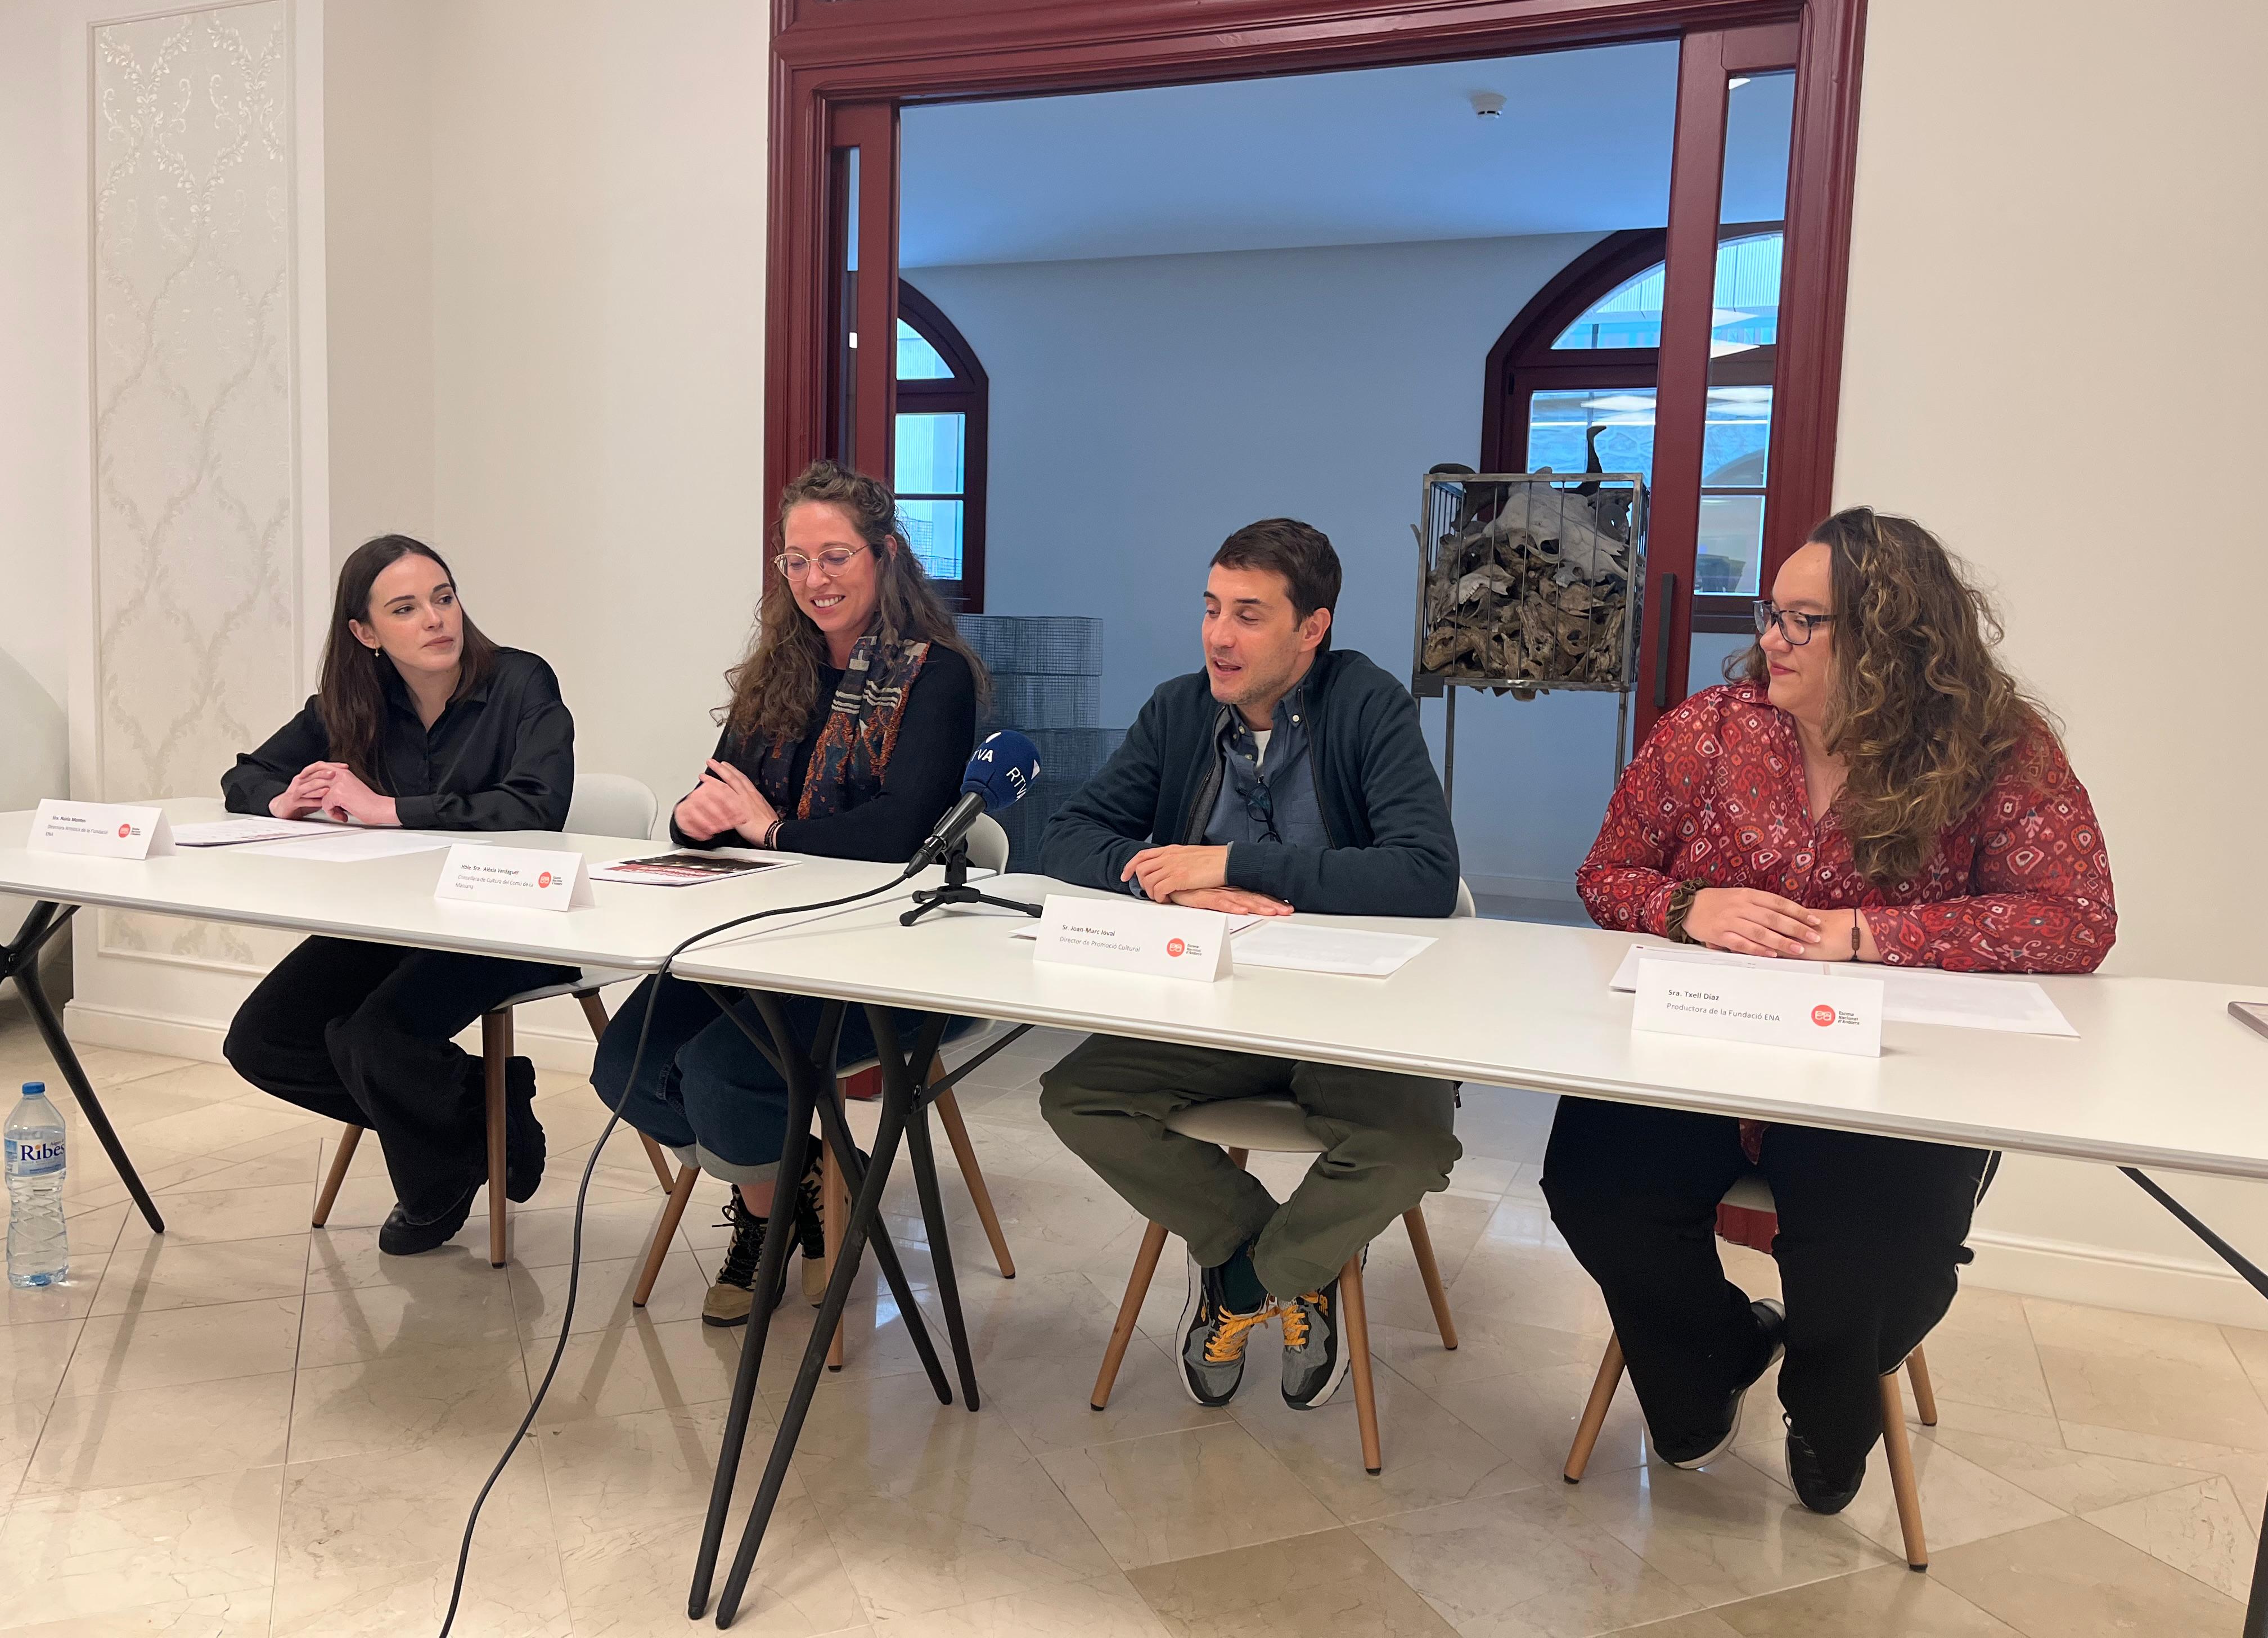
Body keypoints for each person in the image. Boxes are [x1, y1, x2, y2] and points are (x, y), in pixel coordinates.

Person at [1542, 507, 2115, 1513]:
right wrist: (1686, 906)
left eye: (1804, 621)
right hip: (1708, 1047)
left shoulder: (1996, 750)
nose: (1772, 638)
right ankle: (1719, 1353)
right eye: (1772, 613)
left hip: (1882, 1070)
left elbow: (2074, 919)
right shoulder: (1712, 729)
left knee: (1878, 1254)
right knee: (1595, 1185)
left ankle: (1828, 1407)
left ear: (1893, 637)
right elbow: (1606, 873)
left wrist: (1868, 934)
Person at [1040, 518, 1462, 1414]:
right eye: (1211, 609)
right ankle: (1276, 1254)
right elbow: (1069, 833)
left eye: (1249, 615)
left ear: (1313, 629)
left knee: (1414, 1146)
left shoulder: (1369, 704)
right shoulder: (1179, 710)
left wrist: (1233, 862)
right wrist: (1164, 879)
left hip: (1353, 1009)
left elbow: (1425, 875)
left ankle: (1249, 1281)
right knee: (1078, 1097)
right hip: (1215, 1000)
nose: (1218, 638)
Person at [590, 461, 982, 1328]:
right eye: (795, 561)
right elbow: (722, 800)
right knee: (626, 1065)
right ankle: (804, 1177)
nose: (814, 579)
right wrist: (693, 821)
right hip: (755, 935)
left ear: (885, 554)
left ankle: (766, 1223)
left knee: (723, 1077)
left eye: (835, 556)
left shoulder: (935, 676)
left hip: (883, 955)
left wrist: (769, 831)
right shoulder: (780, 668)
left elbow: (898, 835)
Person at [222, 534, 577, 1255]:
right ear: (366, 633)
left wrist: (388, 809)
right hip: (393, 921)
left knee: (373, 1041)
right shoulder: (353, 702)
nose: (436, 620)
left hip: (512, 920)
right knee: (262, 1041)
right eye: (406, 609)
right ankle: (489, 1116)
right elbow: (244, 776)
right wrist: (283, 799)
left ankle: (437, 1176)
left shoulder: (521, 681)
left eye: (444, 598)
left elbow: (537, 807)